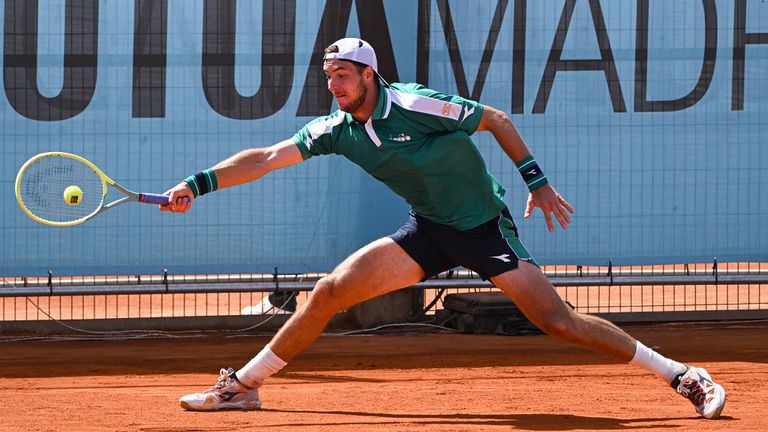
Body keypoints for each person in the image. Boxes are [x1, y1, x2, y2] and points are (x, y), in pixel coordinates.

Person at [162, 38, 726, 419]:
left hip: (484, 229)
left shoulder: (415, 104)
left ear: (369, 75)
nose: (334, 85)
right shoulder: (336, 129)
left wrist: (537, 182)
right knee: (329, 292)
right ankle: (245, 387)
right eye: (328, 76)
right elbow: (264, 157)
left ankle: (683, 375)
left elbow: (496, 120)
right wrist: (198, 183)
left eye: (343, 76)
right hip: (428, 231)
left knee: (559, 321)